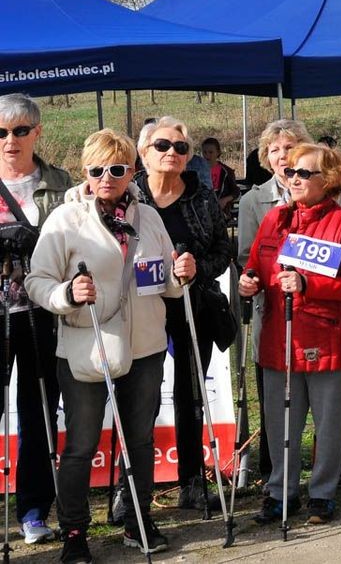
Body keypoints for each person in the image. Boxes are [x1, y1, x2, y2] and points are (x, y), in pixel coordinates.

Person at [27, 129, 196, 563]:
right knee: (82, 445)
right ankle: (75, 532)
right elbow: (37, 282)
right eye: (97, 170)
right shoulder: (65, 220)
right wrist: (67, 292)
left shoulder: (148, 218)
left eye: (117, 169)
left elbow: (167, 286)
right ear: (85, 172)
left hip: (145, 345)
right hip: (87, 346)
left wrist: (182, 273)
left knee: (139, 439)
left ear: (131, 172)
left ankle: (138, 520)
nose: (107, 177)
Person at [238, 143, 341, 525]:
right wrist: (250, 281)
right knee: (281, 422)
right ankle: (280, 492)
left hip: (329, 337)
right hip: (281, 337)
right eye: (290, 171)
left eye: (303, 173)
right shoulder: (273, 219)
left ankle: (322, 493)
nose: (293, 178)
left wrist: (309, 284)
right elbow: (256, 263)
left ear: (326, 180)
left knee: (328, 423)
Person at [134, 118, 232, 510]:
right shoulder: (128, 196)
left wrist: (198, 269)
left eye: (180, 148)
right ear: (144, 153)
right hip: (143, 311)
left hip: (195, 307)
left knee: (191, 395)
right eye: (162, 146)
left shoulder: (201, 196)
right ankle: (130, 489)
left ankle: (192, 480)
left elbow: (223, 253)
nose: (171, 153)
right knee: (141, 399)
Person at [0, 94, 68, 546]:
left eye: (20, 131)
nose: (10, 141)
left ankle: (32, 510)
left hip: (43, 314)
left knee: (39, 412)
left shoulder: (62, 183)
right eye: (2, 132)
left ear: (37, 133)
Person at [238, 119, 314, 481]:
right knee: (275, 395)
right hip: (271, 310)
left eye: (289, 147)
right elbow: (246, 256)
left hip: (316, 309)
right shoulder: (253, 200)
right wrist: (254, 278)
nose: (282, 155)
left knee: (323, 395)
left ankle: (335, 467)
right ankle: (278, 475)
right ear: (266, 158)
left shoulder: (328, 193)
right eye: (274, 149)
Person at [200, 137, 240, 215]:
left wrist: (225, 200)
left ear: (218, 152)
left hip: (221, 211)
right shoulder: (197, 171)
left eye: (211, 152)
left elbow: (236, 191)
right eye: (204, 152)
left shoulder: (226, 171)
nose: (207, 155)